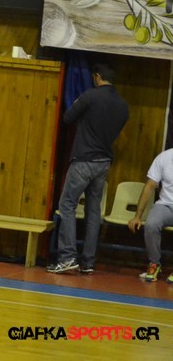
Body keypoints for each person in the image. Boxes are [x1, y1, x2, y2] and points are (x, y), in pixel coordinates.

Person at [47, 62, 129, 275]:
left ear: (97, 77)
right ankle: (88, 261)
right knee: (93, 211)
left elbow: (67, 118)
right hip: (104, 162)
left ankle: (67, 257)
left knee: (67, 205)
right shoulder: (123, 105)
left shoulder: (90, 96)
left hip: (84, 159)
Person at [127, 147, 173, 283]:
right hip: (165, 205)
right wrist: (137, 216)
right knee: (151, 224)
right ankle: (154, 263)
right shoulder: (164, 157)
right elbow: (149, 186)